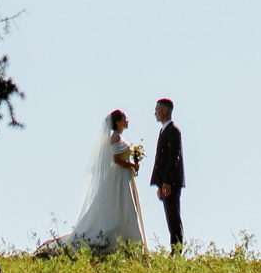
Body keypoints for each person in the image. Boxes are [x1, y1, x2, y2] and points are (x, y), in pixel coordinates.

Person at [63, 108, 149, 250]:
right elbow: (116, 159)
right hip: (119, 175)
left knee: (126, 206)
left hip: (124, 175)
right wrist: (132, 165)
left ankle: (129, 243)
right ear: (118, 122)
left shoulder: (118, 138)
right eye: (124, 119)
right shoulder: (115, 137)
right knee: (122, 206)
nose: (127, 121)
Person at [149, 97, 184, 247]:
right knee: (169, 216)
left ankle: (176, 250)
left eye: (157, 110)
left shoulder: (173, 131)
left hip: (171, 182)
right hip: (164, 183)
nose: (155, 113)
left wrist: (167, 182)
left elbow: (173, 157)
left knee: (173, 217)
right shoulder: (163, 131)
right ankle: (175, 248)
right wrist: (159, 184)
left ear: (164, 111)